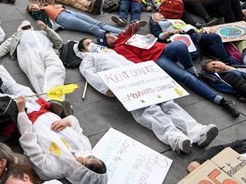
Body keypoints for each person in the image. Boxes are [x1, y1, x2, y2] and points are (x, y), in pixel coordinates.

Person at [78, 40, 219, 154]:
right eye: (88, 44)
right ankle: (174, 137)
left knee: (168, 103)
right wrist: (105, 88)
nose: (93, 44)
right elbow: (89, 74)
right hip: (124, 85)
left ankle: (196, 131)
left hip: (139, 78)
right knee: (148, 110)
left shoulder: (110, 51)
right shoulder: (89, 59)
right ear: (83, 50)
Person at [101, 22, 240, 117]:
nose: (111, 36)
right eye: (107, 38)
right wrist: (152, 71)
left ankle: (192, 71)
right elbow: (135, 60)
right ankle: (222, 101)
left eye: (110, 34)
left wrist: (147, 35)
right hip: (157, 60)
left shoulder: (126, 36)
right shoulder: (118, 48)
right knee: (187, 78)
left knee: (179, 45)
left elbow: (133, 29)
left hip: (164, 49)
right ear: (107, 44)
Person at [15, 96, 107, 184]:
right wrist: (67, 121)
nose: (87, 155)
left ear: (81, 171)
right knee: (16, 87)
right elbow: (76, 127)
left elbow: (30, 145)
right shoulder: (85, 147)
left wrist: (22, 113)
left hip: (27, 119)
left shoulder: (53, 169)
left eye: (89, 159)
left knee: (6, 89)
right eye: (93, 157)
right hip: (44, 110)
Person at [0, 20, 65, 97]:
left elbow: (59, 42)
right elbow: (6, 45)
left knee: (57, 67)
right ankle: (49, 98)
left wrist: (46, 28)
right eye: (24, 26)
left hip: (47, 50)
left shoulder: (42, 32)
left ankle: (56, 96)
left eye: (28, 25)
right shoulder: (17, 35)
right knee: (37, 73)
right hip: (29, 52)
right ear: (19, 28)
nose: (26, 26)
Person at [26, 3, 122, 39]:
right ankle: (118, 37)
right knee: (93, 28)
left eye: (32, 5)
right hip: (63, 18)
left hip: (69, 12)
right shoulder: (39, 13)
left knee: (98, 23)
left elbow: (60, 6)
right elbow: (40, 15)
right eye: (31, 8)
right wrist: (36, 11)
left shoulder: (47, 5)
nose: (33, 7)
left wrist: (61, 6)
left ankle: (123, 32)